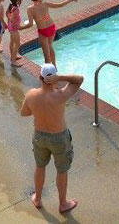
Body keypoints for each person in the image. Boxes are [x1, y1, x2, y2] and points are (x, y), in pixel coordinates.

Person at [20, 63, 82, 214]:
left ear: (40, 77)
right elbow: (79, 79)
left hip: (40, 136)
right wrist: (60, 78)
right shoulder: (61, 95)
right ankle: (62, 204)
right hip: (59, 137)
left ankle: (38, 198)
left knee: (40, 166)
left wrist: (39, 110)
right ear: (54, 79)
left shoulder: (31, 95)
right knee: (61, 170)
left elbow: (24, 113)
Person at [20, 0, 79, 66]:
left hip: (42, 30)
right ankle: (54, 66)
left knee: (46, 54)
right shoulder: (46, 4)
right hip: (51, 27)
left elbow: (30, 24)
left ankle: (48, 73)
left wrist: (21, 28)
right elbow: (60, 5)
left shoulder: (30, 9)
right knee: (50, 47)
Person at [6, 0, 25, 67]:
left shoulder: (11, 5)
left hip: (11, 27)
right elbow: (13, 19)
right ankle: (13, 61)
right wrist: (17, 25)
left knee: (12, 42)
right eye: (21, 0)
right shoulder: (16, 9)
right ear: (17, 1)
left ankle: (13, 56)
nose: (21, 1)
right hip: (14, 28)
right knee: (17, 44)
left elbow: (7, 14)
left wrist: (10, 22)